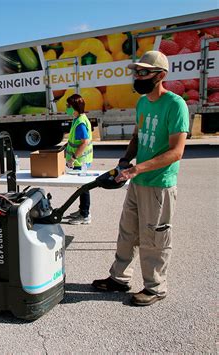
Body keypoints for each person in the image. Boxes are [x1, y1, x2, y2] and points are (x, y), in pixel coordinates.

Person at [92, 51, 189, 307]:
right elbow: (137, 137)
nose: (138, 77)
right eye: (136, 72)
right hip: (138, 181)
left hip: (159, 184)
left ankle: (155, 287)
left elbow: (176, 151)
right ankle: (119, 278)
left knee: (154, 239)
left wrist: (138, 169)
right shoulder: (143, 103)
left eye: (144, 72)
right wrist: (126, 160)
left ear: (161, 76)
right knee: (127, 233)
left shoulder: (175, 105)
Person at [65, 94, 93, 225]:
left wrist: (73, 158)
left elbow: (84, 142)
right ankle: (82, 210)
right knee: (81, 188)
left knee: (83, 188)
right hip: (80, 160)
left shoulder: (80, 123)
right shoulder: (78, 119)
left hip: (80, 161)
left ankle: (85, 215)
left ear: (74, 107)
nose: (66, 108)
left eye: (68, 106)